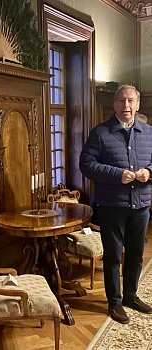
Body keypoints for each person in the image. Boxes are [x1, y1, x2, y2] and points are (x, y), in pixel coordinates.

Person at [80, 84, 152, 324]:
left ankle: (131, 296)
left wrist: (149, 173)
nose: (126, 106)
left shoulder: (149, 133)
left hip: (140, 206)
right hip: (111, 207)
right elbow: (86, 164)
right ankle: (115, 302)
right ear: (114, 104)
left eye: (131, 101)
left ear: (138, 104)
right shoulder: (100, 133)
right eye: (121, 101)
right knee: (113, 257)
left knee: (136, 255)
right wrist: (116, 174)